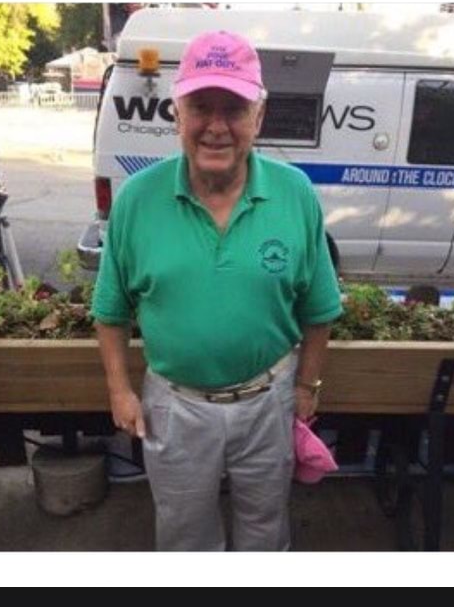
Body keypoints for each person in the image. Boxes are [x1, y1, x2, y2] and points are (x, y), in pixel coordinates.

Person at [92, 30, 343, 552]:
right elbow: (110, 310)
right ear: (176, 114)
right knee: (185, 539)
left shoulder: (294, 192)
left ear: (259, 116)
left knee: (265, 531)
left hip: (268, 399)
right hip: (175, 404)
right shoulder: (138, 198)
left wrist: (306, 389)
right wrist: (119, 391)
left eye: (233, 108)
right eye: (201, 106)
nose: (216, 126)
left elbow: (320, 309)